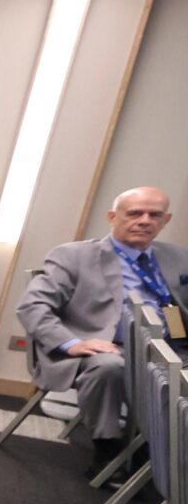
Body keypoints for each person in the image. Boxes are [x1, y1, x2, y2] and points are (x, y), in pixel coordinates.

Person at [16, 186, 188, 478]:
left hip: (172, 348)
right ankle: (107, 449)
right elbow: (32, 306)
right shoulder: (74, 255)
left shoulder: (179, 257)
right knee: (109, 367)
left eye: (154, 215)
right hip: (107, 347)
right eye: (135, 213)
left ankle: (163, 454)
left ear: (165, 220)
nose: (144, 221)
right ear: (112, 216)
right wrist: (71, 343)